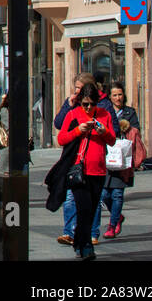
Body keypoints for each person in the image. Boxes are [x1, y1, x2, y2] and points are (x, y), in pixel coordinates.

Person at [57, 80, 116, 260]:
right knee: (83, 209)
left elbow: (112, 140)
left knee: (91, 210)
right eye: (85, 104)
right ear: (80, 101)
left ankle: (79, 243)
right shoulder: (73, 114)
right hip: (79, 171)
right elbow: (61, 138)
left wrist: (103, 131)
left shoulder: (104, 114)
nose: (89, 107)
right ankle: (85, 245)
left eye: (92, 104)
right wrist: (78, 130)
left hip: (98, 171)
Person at [52, 73, 100, 246]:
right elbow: (59, 125)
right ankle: (70, 232)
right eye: (76, 88)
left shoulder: (102, 108)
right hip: (74, 158)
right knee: (71, 197)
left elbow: (112, 132)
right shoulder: (73, 109)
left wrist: (100, 130)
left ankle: (92, 233)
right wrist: (68, 105)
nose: (77, 92)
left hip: (95, 162)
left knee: (94, 199)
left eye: (80, 88)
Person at [101, 83, 143, 239]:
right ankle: (117, 216)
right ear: (109, 97)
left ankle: (112, 225)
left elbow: (136, 131)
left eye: (120, 94)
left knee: (117, 194)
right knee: (104, 195)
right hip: (107, 157)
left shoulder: (130, 112)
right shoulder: (105, 112)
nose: (118, 98)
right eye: (115, 95)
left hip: (123, 160)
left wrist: (125, 128)